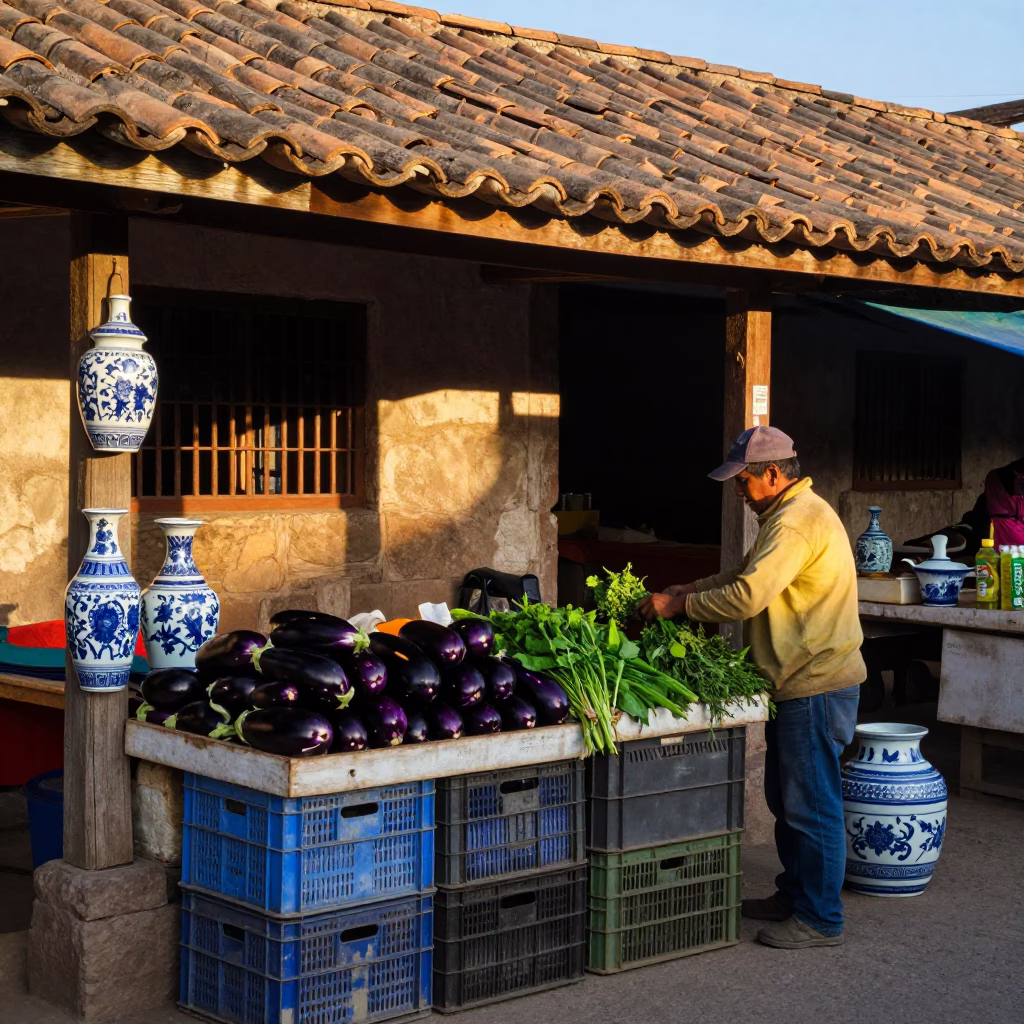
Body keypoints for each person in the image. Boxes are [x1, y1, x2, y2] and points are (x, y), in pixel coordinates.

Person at [638, 426, 865, 949]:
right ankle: (795, 897)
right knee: (788, 801)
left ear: (772, 473)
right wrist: (687, 589)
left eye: (743, 481)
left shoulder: (797, 522)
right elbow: (744, 572)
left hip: (815, 682)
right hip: (798, 682)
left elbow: (747, 596)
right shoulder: (784, 515)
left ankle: (821, 919)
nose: (738, 491)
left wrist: (679, 608)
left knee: (812, 804)